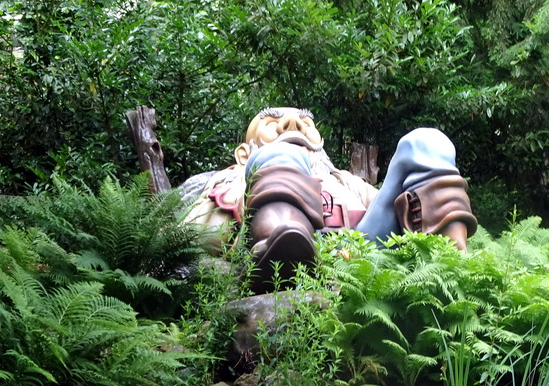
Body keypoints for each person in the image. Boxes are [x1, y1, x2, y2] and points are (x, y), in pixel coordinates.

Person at [184, 107, 478, 293]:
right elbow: (190, 242)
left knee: (425, 140)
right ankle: (285, 248)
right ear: (243, 154)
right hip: (280, 255)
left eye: (304, 121)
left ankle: (451, 264)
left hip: (360, 254)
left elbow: (394, 215)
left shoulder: (345, 182)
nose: (292, 123)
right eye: (274, 121)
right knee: (281, 156)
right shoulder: (227, 183)